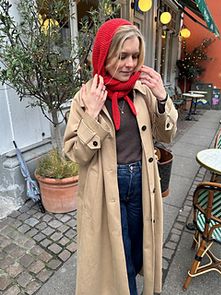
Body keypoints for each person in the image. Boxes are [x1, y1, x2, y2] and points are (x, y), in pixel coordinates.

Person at [64, 18, 178, 295]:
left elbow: (167, 135)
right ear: (106, 54)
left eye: (135, 56)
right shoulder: (87, 97)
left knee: (140, 249)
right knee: (120, 256)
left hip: (141, 182)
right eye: (122, 56)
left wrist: (162, 98)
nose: (130, 64)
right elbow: (75, 154)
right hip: (106, 188)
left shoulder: (143, 90)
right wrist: (91, 114)